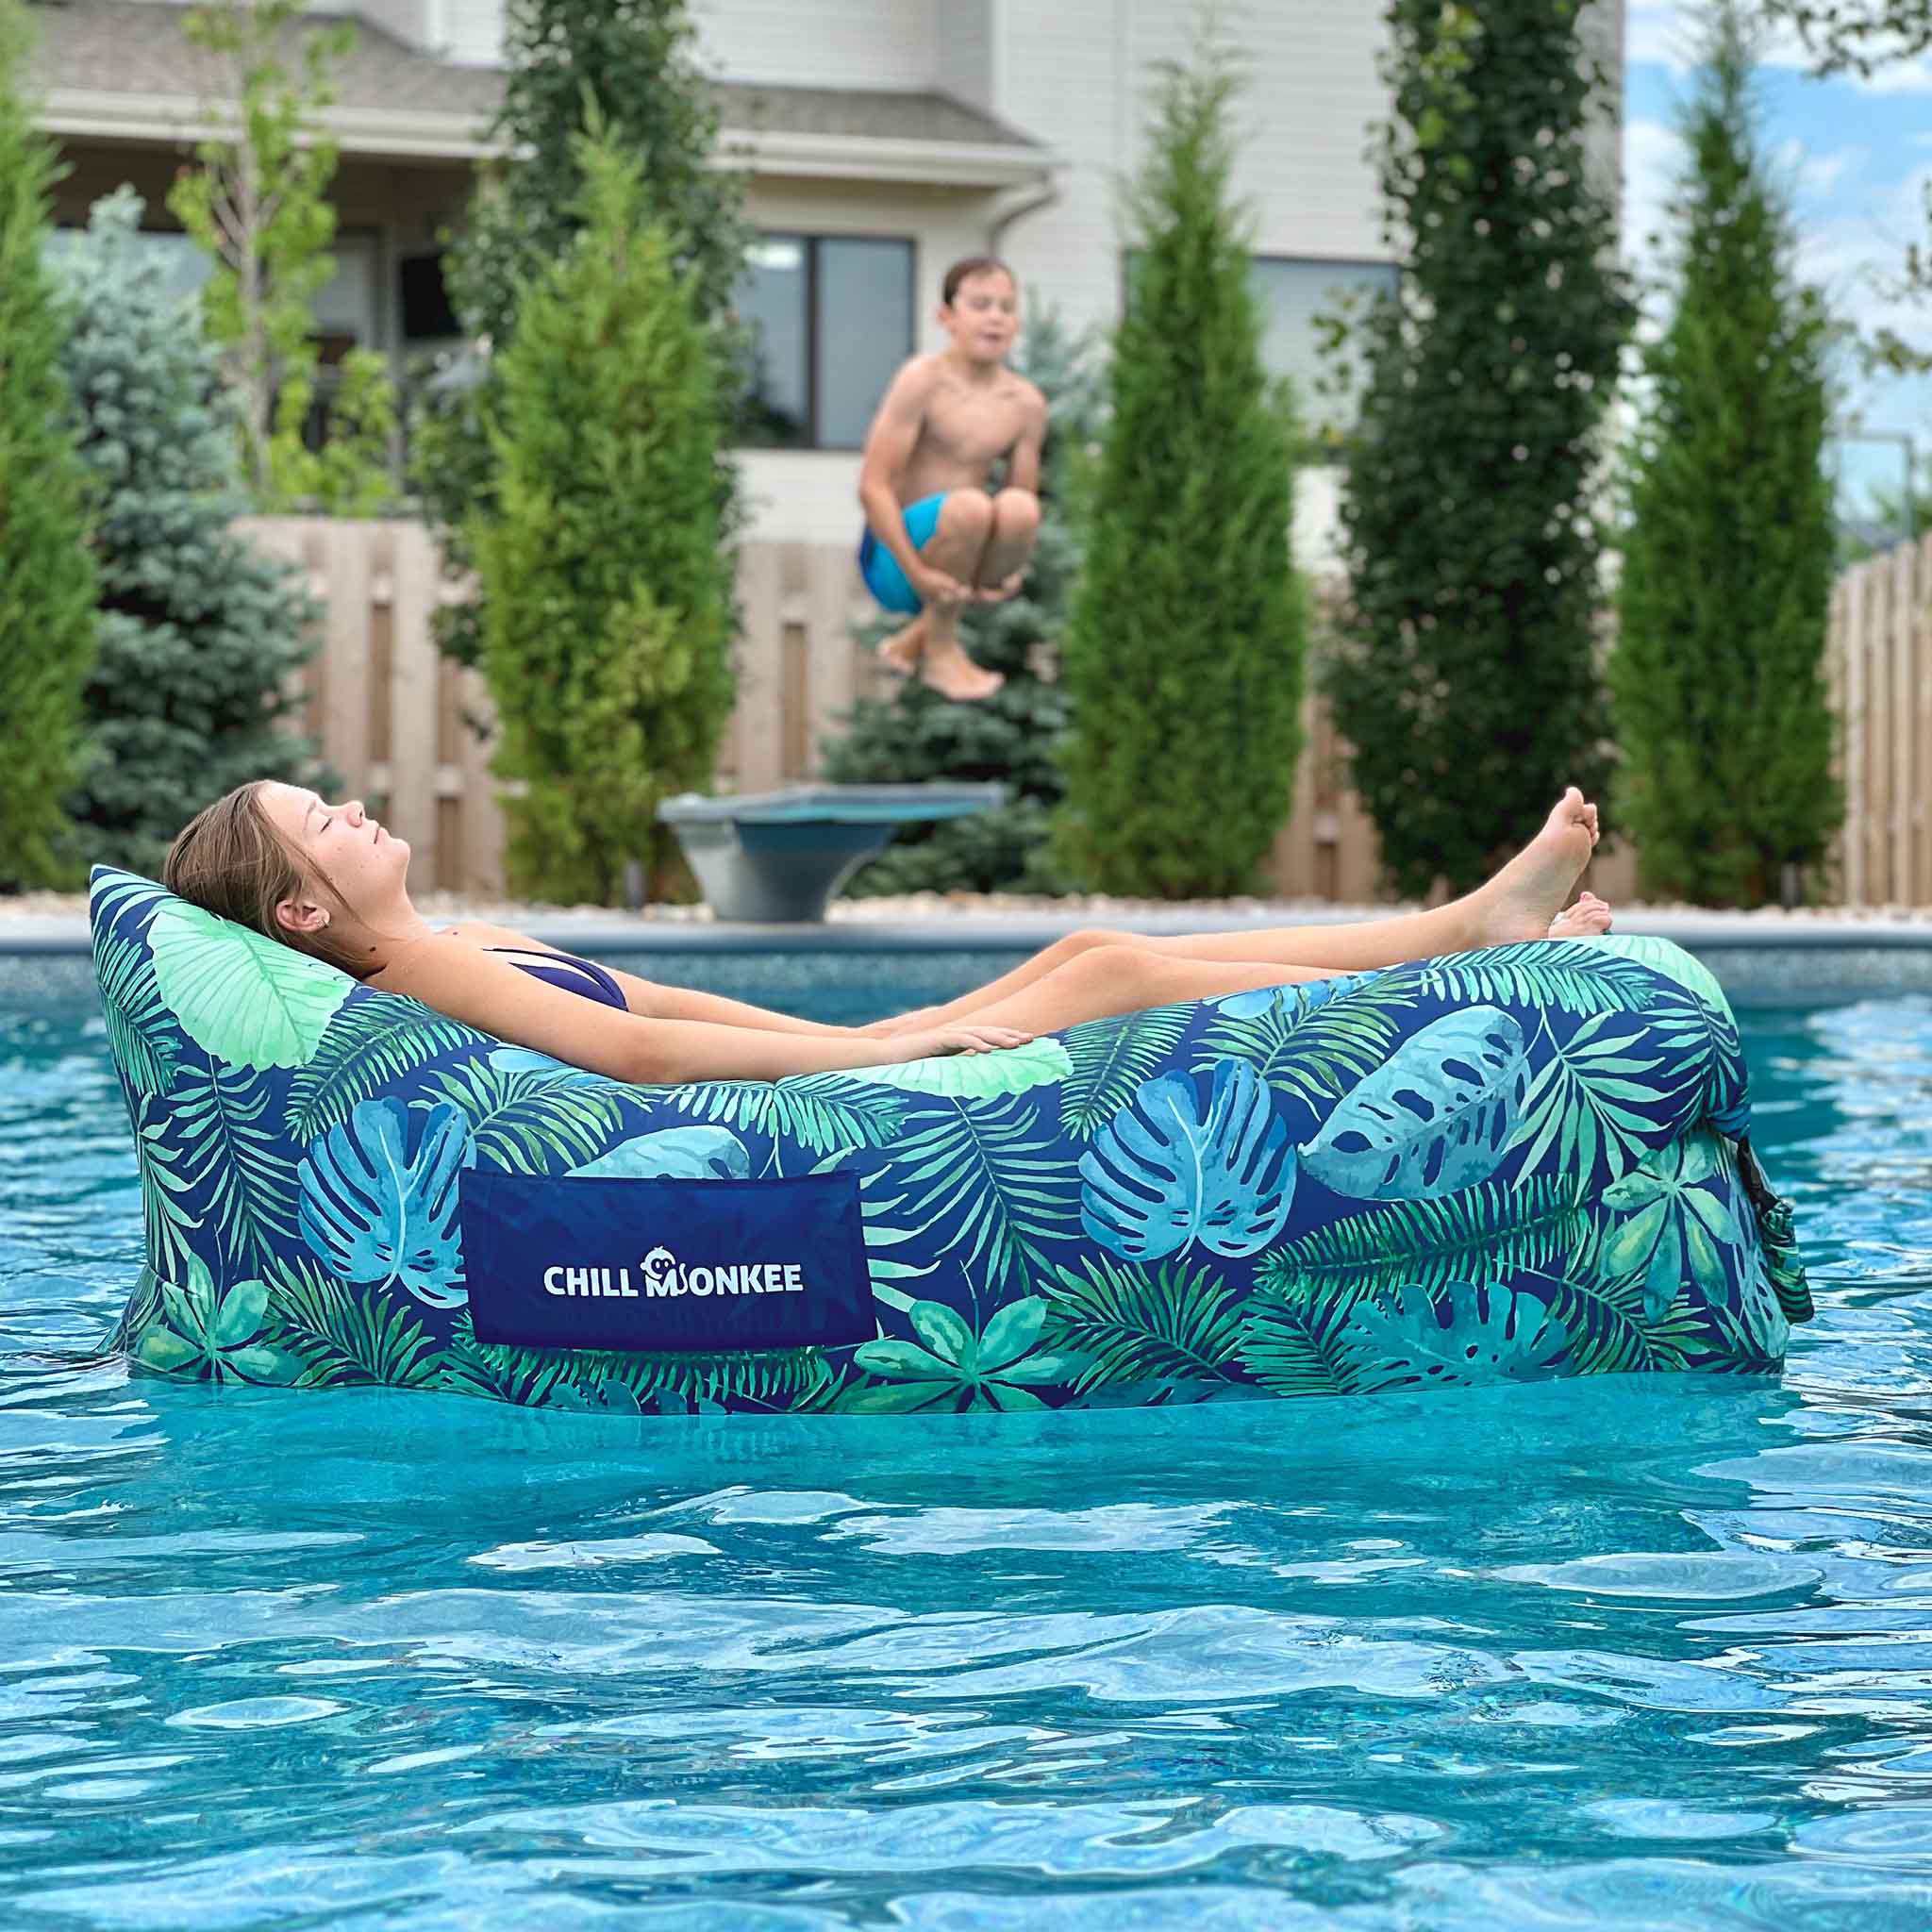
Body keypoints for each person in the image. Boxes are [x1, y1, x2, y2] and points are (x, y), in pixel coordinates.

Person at [161, 781, 1613, 1090]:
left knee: (1090, 947)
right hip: (827, 1104)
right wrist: (879, 1052)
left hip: (847, 1063)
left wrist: (865, 1036)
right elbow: (636, 1049)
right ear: (302, 912)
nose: (356, 805)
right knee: (1104, 971)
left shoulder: (455, 929)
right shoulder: (417, 970)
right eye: (324, 822)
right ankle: (1465, 942)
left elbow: (661, 990)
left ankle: (1468, 926)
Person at [857, 256, 1045, 702]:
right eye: (980, 304)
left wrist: (1012, 563)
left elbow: (1021, 500)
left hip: (963, 557)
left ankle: (918, 639)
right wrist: (917, 572)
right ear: (947, 317)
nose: (995, 317)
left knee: (1020, 509)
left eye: (1006, 307)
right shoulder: (923, 380)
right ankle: (939, 651)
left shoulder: (1026, 404)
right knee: (969, 504)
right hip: (896, 560)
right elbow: (872, 487)